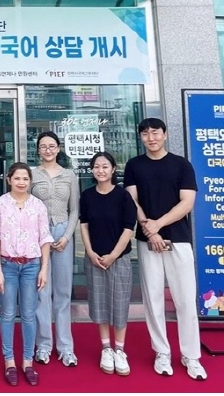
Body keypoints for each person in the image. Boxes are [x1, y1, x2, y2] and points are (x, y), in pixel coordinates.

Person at [124, 117, 207, 381]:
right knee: (153, 299)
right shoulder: (134, 165)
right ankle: (162, 351)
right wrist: (151, 231)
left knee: (185, 300)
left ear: (165, 134)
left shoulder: (182, 165)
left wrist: (158, 225)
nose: (151, 138)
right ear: (141, 137)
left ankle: (191, 355)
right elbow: (132, 200)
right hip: (147, 239)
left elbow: (187, 203)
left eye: (155, 132)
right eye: (145, 134)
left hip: (178, 239)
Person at [0, 162, 53, 387]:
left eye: (25, 178)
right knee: (7, 314)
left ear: (30, 181)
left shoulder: (38, 205)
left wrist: (44, 268)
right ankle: (9, 361)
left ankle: (27, 361)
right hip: (7, 265)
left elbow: (45, 238)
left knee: (28, 314)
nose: (21, 182)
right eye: (17, 178)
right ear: (9, 180)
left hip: (31, 266)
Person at [79, 151, 137, 377]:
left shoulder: (123, 196)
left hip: (119, 258)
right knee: (100, 304)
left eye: (105, 166)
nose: (100, 170)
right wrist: (90, 252)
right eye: (96, 166)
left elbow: (128, 228)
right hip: (94, 258)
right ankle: (106, 348)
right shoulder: (87, 195)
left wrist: (113, 254)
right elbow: (84, 225)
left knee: (119, 304)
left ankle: (120, 350)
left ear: (113, 169)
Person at [30, 130, 80, 367]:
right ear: (38, 150)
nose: (47, 150)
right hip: (37, 236)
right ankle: (43, 345)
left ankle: (66, 347)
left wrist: (67, 236)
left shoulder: (69, 175)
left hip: (62, 234)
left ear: (58, 148)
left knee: (62, 291)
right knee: (41, 291)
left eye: (51, 146)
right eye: (43, 146)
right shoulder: (32, 174)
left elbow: (75, 210)